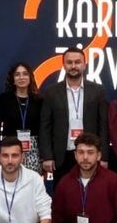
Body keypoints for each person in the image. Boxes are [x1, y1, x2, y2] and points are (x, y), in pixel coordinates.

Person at [39, 47, 109, 180]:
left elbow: (103, 126)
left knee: (91, 190)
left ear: (84, 64)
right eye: (69, 62)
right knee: (63, 191)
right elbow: (45, 126)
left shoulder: (97, 91)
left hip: (89, 154)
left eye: (77, 62)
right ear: (64, 65)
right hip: (61, 155)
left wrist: (103, 156)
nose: (73, 66)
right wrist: (47, 156)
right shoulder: (51, 92)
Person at [0, 62, 43, 175]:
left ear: (30, 77)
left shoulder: (39, 101)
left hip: (33, 150)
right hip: (10, 149)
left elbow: (44, 129)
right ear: (13, 79)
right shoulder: (4, 100)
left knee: (31, 183)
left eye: (25, 74)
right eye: (17, 74)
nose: (21, 77)